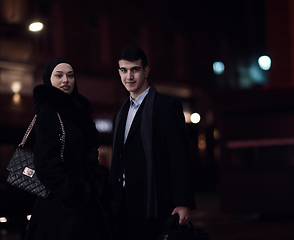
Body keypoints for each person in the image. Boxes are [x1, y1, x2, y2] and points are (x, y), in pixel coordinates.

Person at [110, 46, 196, 240]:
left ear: (146, 71)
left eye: (135, 69)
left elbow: (179, 156)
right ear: (119, 72)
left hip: (156, 202)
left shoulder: (165, 106)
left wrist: (183, 202)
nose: (129, 76)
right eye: (124, 70)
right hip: (124, 203)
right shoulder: (120, 114)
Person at [25, 58, 112, 240]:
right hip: (61, 205)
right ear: (49, 79)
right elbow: (46, 165)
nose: (66, 80)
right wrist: (75, 192)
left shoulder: (79, 113)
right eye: (59, 75)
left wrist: (97, 184)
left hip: (83, 204)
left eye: (70, 75)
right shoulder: (48, 112)